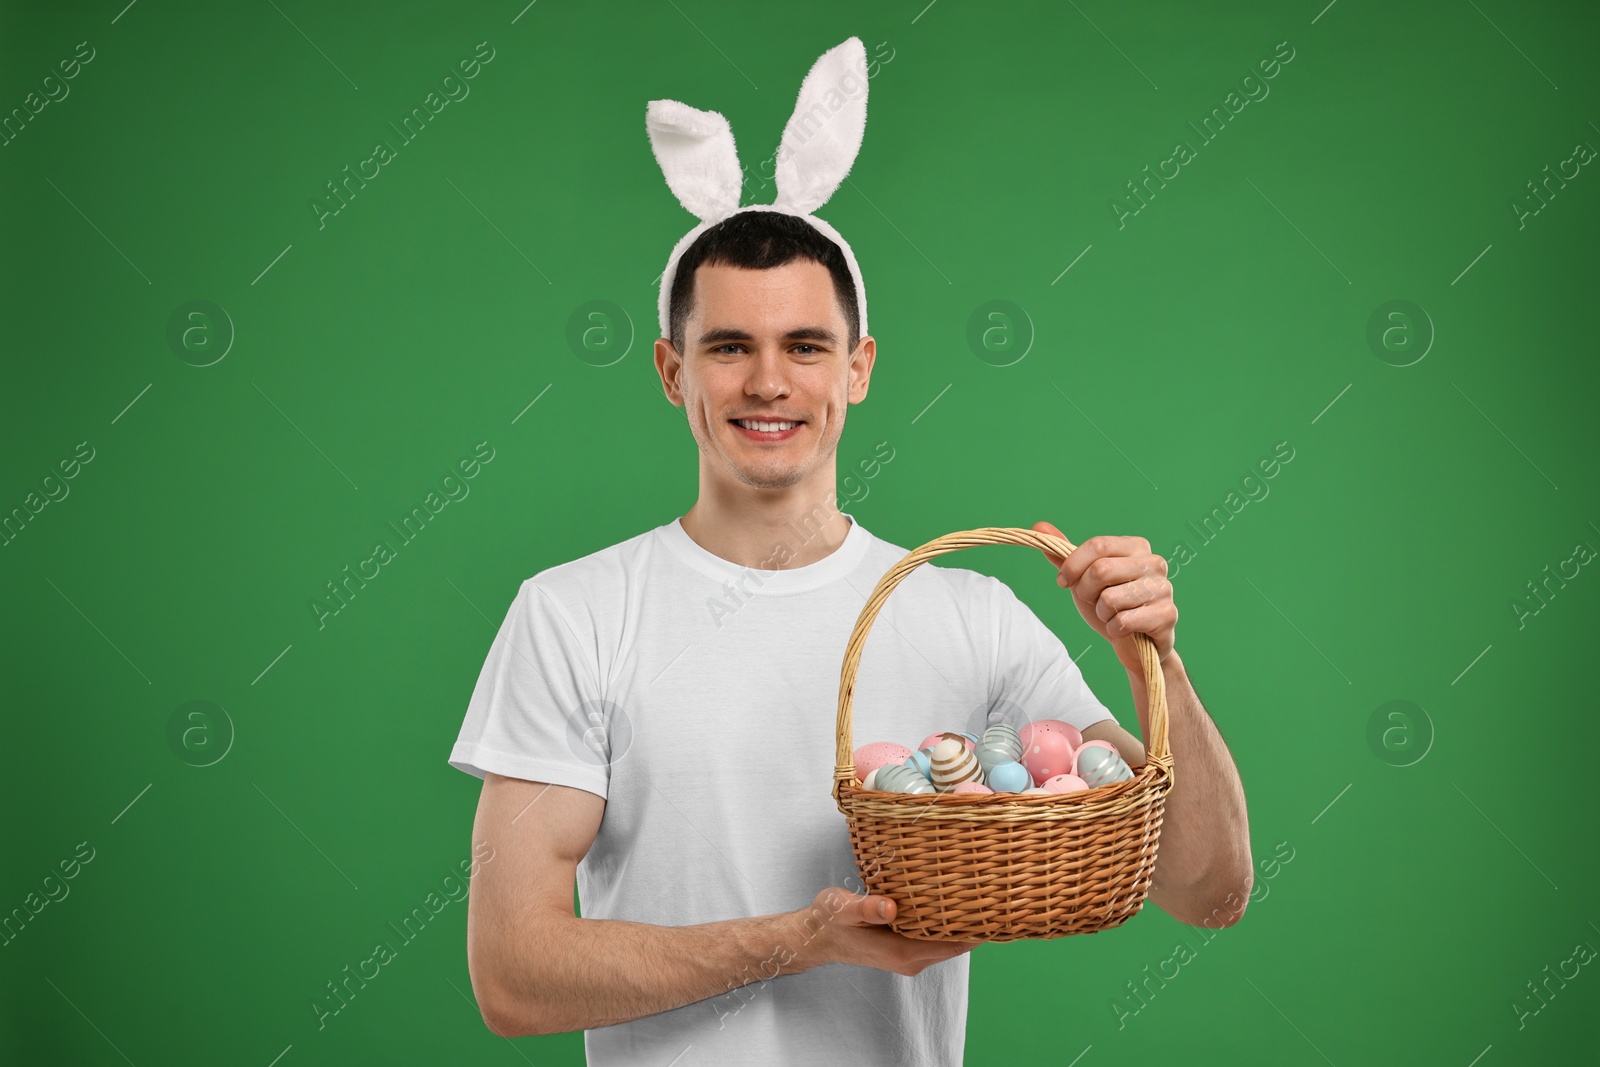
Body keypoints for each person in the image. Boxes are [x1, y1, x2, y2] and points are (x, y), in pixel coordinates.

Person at [448, 38, 1251, 1066]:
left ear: (859, 367)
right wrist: (800, 940)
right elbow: (512, 974)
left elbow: (1205, 888)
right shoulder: (573, 614)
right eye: (728, 346)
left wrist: (1157, 660)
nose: (768, 382)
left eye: (806, 345)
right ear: (670, 370)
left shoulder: (972, 616)